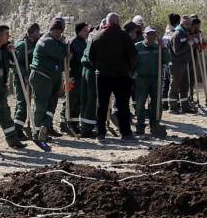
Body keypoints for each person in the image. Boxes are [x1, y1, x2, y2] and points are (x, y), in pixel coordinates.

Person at [87, 12, 138, 141]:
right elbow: (133, 55)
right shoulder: (124, 36)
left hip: (103, 75)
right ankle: (125, 133)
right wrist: (129, 69)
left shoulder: (97, 36)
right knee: (123, 105)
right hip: (121, 75)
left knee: (102, 105)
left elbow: (91, 57)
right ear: (118, 22)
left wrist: (98, 67)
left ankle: (101, 133)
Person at [0, 24, 25, 148]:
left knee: (5, 113)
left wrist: (13, 53)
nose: (9, 36)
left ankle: (13, 140)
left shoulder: (6, 50)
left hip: (0, 86)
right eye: (6, 34)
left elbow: (14, 64)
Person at [29, 17, 67, 141]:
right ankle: (37, 131)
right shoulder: (48, 41)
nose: (58, 33)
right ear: (51, 30)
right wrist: (63, 44)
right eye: (56, 30)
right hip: (42, 77)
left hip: (50, 78)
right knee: (41, 105)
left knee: (51, 104)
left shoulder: (53, 40)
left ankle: (46, 127)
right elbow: (61, 54)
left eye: (60, 31)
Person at [134, 26, 164, 137]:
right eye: (149, 34)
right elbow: (131, 61)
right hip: (141, 79)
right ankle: (140, 126)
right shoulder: (137, 47)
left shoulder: (158, 47)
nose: (151, 36)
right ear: (144, 35)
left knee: (156, 103)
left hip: (155, 79)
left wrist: (164, 48)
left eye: (153, 34)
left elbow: (166, 60)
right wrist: (133, 71)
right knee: (140, 103)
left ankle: (155, 125)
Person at [67, 21, 94, 135]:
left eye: (88, 30)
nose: (87, 33)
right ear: (79, 31)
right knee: (72, 101)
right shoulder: (75, 42)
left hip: (81, 76)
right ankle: (69, 124)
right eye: (85, 30)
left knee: (78, 101)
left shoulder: (83, 42)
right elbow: (80, 58)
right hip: (74, 76)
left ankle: (75, 125)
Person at [12, 22, 40, 129]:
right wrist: (24, 75)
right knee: (23, 103)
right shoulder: (22, 45)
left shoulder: (35, 43)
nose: (39, 34)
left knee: (27, 102)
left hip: (30, 77)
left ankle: (24, 127)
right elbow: (16, 64)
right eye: (37, 32)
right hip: (20, 78)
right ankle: (17, 130)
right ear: (32, 33)